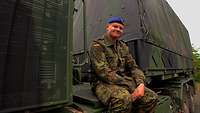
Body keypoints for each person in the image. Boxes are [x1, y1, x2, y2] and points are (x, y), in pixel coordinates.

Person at [89, 16, 158, 113]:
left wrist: (141, 84)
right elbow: (103, 72)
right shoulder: (97, 45)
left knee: (152, 97)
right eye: (115, 26)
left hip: (122, 81)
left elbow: (133, 67)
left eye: (120, 28)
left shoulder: (123, 46)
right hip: (102, 82)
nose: (118, 29)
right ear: (107, 27)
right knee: (123, 99)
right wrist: (128, 84)